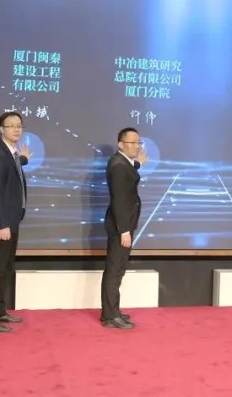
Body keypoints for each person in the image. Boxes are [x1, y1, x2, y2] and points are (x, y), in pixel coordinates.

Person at [0, 111, 32, 332]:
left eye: (19, 125)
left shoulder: (10, 154)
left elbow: (14, 167)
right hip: (1, 224)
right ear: (2, 129)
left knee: (5, 268)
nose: (16, 129)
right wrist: (2, 224)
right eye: (11, 126)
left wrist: (23, 160)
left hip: (11, 221)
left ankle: (0, 310)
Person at [101, 127, 147, 329]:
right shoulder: (118, 165)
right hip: (121, 227)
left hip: (124, 225)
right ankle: (110, 316)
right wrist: (124, 230)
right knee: (114, 270)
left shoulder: (123, 163)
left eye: (138, 142)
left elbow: (130, 172)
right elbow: (119, 200)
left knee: (118, 269)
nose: (136, 146)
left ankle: (113, 311)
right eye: (132, 143)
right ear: (121, 144)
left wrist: (138, 164)